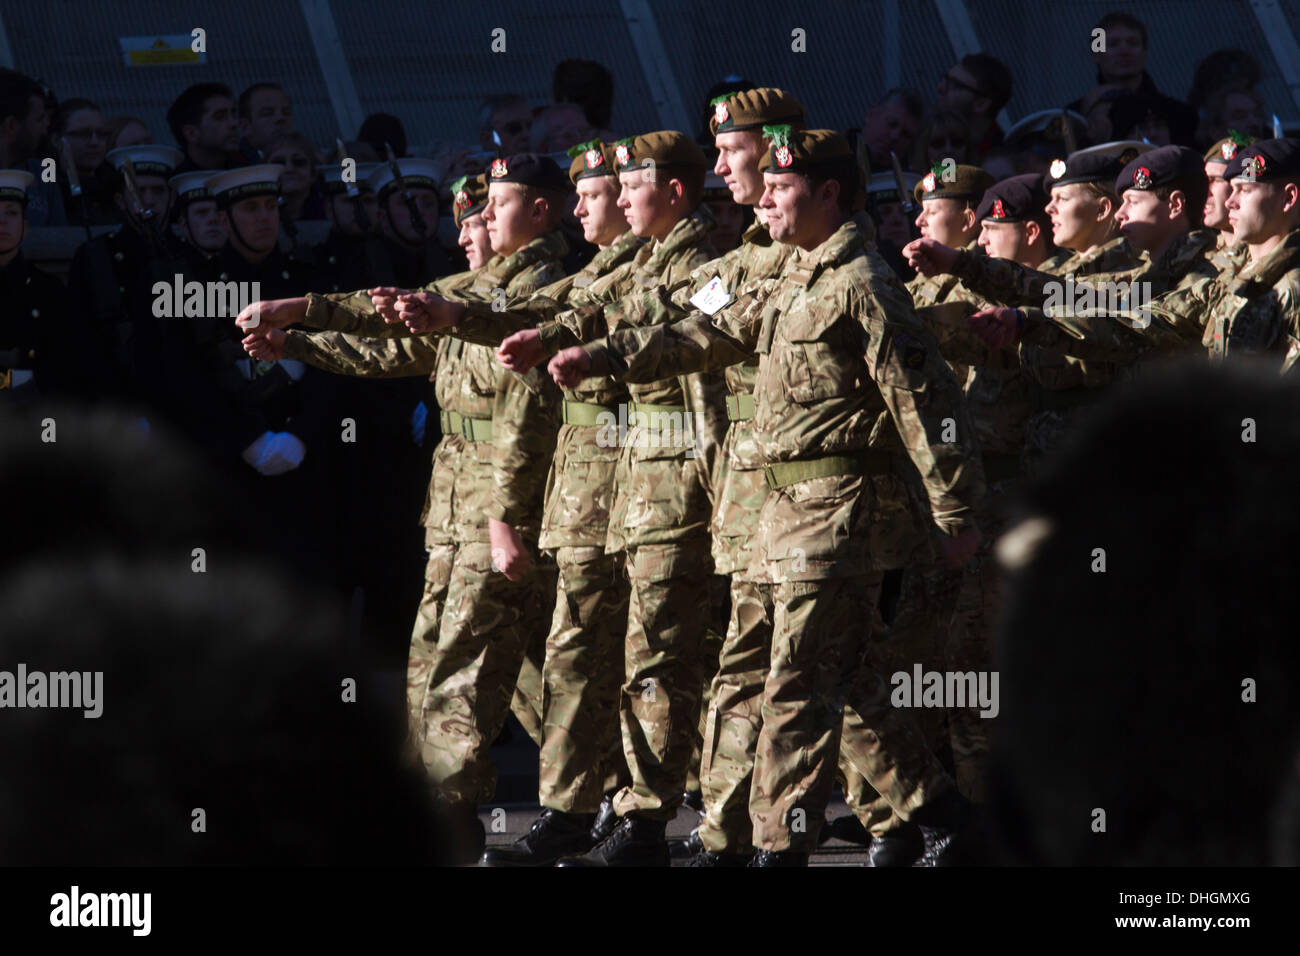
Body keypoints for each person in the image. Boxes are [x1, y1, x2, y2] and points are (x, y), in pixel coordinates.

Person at [548, 129, 985, 865]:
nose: (766, 200)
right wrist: (597, 355)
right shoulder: (790, 278)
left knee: (795, 692)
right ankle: (948, 819)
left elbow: (927, 404)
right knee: (852, 681)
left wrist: (956, 516)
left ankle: (772, 851)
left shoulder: (863, 286)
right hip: (778, 517)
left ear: (828, 196)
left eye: (783, 189)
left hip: (840, 515)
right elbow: (705, 333)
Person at [237, 156, 572, 864]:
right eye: (474, 216)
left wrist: (504, 517)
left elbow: (526, 414)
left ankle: (450, 818)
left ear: (542, 212)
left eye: (491, 209)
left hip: (507, 506)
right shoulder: (472, 289)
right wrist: (298, 331)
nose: (475, 225)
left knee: (464, 661)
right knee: (497, 665)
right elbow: (384, 333)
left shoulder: (545, 290)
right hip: (456, 506)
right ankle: (607, 790)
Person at [64, 144, 186, 407]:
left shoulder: (186, 256)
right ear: (121, 200)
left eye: (158, 191)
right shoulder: (96, 257)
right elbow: (79, 346)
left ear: (172, 198)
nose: (149, 200)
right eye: (138, 191)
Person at [0, 168, 74, 409]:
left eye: (11, 213)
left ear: (25, 226)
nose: (2, 221)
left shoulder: (47, 290)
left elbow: (64, 368)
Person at [1068, 10, 1196, 147]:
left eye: (1133, 43)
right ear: (1096, 55)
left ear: (1145, 53)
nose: (1124, 51)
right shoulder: (1074, 119)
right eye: (1113, 44)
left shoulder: (1179, 115)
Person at [0, 68, 66, 226]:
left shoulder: (44, 173)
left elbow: (60, 238)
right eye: (40, 119)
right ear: (11, 125)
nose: (46, 127)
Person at [50, 97, 118, 226]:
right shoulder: (46, 189)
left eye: (101, 134)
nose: (95, 142)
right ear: (56, 140)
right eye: (82, 134)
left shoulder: (117, 185)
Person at [934, 54, 1012, 161]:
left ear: (982, 104)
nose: (940, 87)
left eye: (954, 84)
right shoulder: (926, 142)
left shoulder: (1001, 165)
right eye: (945, 79)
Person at [167, 82, 244, 173]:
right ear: (191, 133)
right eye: (220, 117)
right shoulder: (169, 180)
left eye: (233, 114)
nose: (234, 123)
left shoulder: (246, 169)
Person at [859, 88, 925, 173]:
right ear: (871, 114)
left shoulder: (910, 179)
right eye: (892, 124)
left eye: (905, 134)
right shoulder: (838, 155)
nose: (895, 137)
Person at [237, 82, 295, 160]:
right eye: (268, 114)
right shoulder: (231, 167)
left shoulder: (310, 162)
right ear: (245, 126)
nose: (281, 118)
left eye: (286, 113)